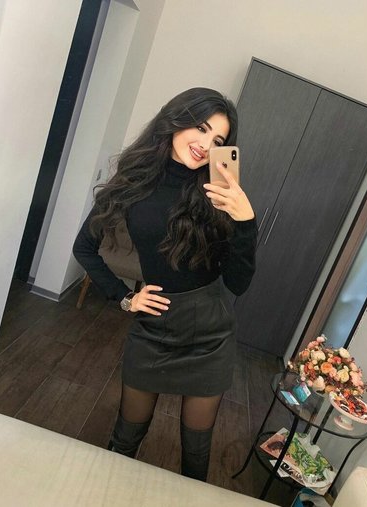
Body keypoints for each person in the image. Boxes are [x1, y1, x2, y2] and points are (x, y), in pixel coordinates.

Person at [73, 87, 257, 482]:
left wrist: (245, 223)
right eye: (201, 128)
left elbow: (238, 282)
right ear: (175, 119)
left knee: (196, 455)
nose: (206, 145)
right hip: (154, 326)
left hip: (209, 333)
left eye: (219, 141)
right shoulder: (133, 180)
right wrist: (125, 298)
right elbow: (84, 247)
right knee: (125, 438)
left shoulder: (217, 193)